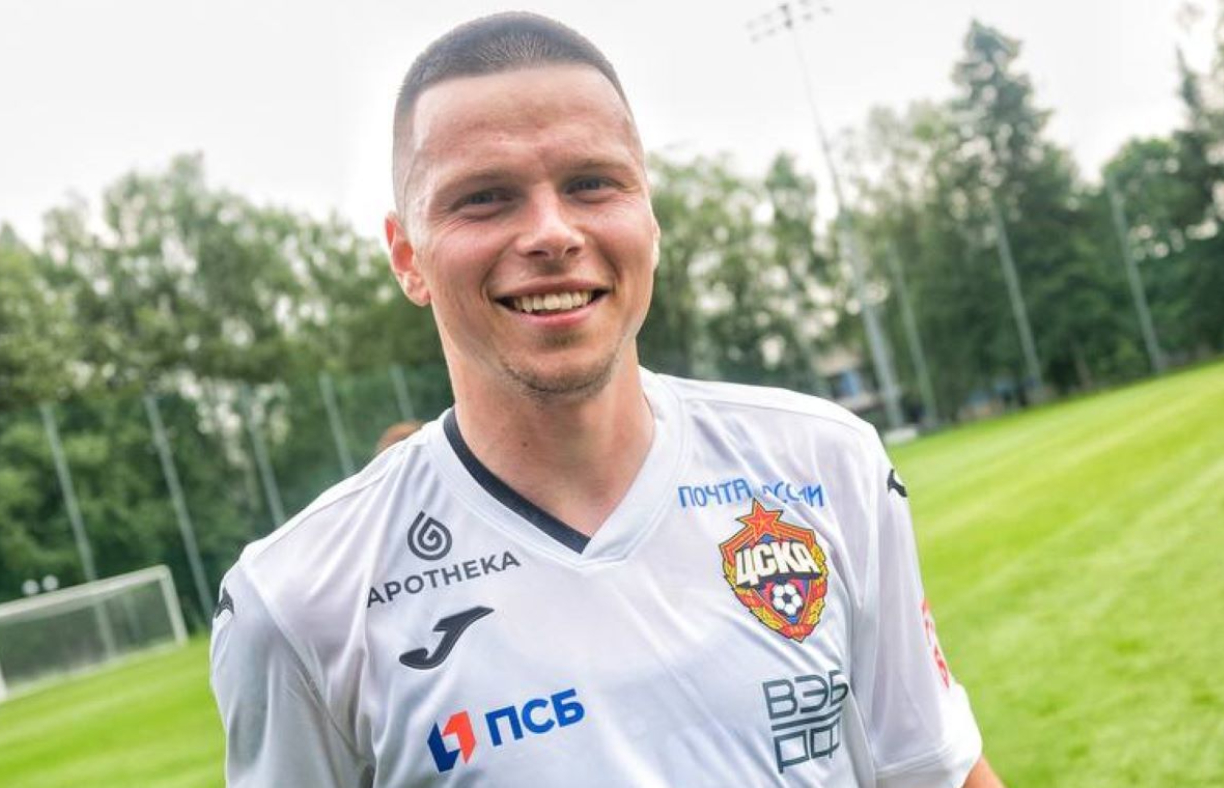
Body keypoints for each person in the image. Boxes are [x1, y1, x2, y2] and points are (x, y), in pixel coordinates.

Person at [210, 12, 1005, 787]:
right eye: (484, 196)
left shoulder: (827, 465)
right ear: (407, 256)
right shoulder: (299, 601)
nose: (552, 232)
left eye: (591, 183)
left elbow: (936, 772)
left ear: (649, 217)